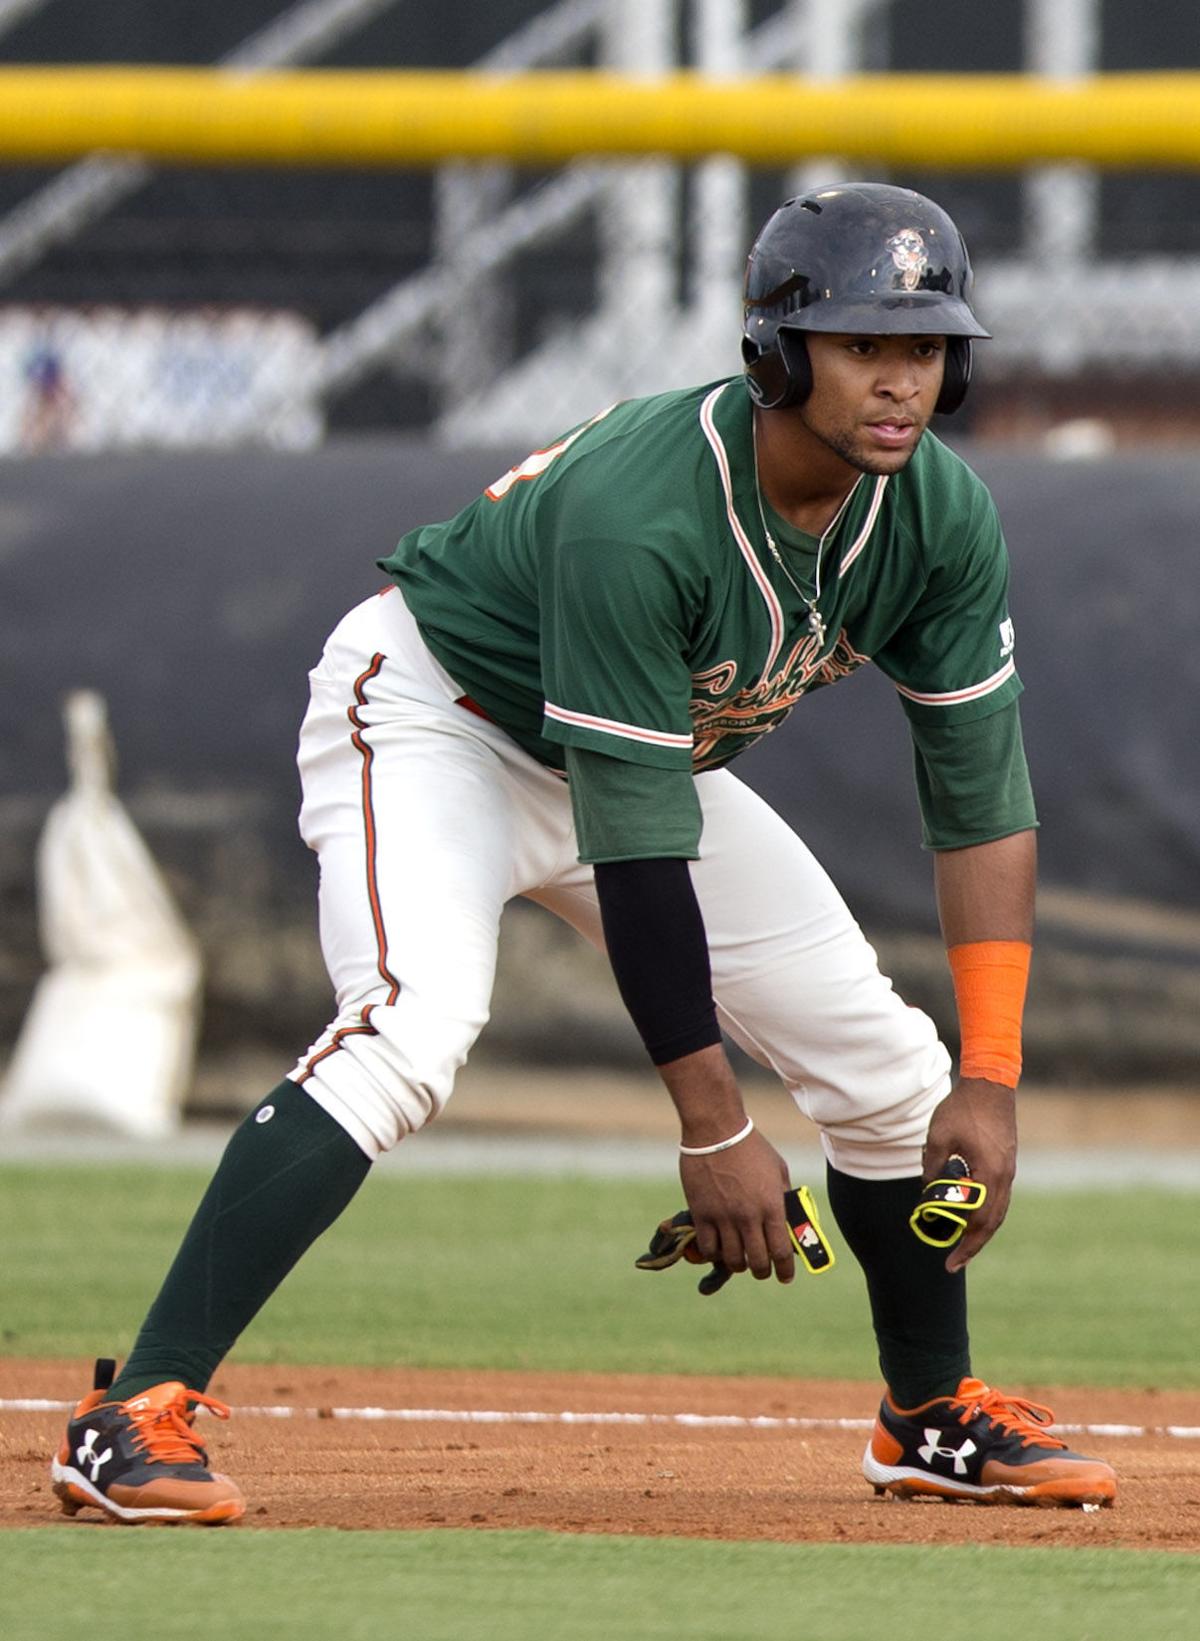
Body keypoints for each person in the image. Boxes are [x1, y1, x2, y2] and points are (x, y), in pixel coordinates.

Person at [50, 182, 1117, 1525]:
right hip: (440, 715)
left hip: (636, 762)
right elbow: (637, 848)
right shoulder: (648, 510)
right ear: (779, 353)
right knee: (409, 1029)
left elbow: (982, 799)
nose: (900, 378)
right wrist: (713, 1123)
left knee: (901, 1079)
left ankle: (929, 1417)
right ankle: (131, 1411)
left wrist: (997, 1072)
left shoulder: (938, 519)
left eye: (924, 346)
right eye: (862, 344)